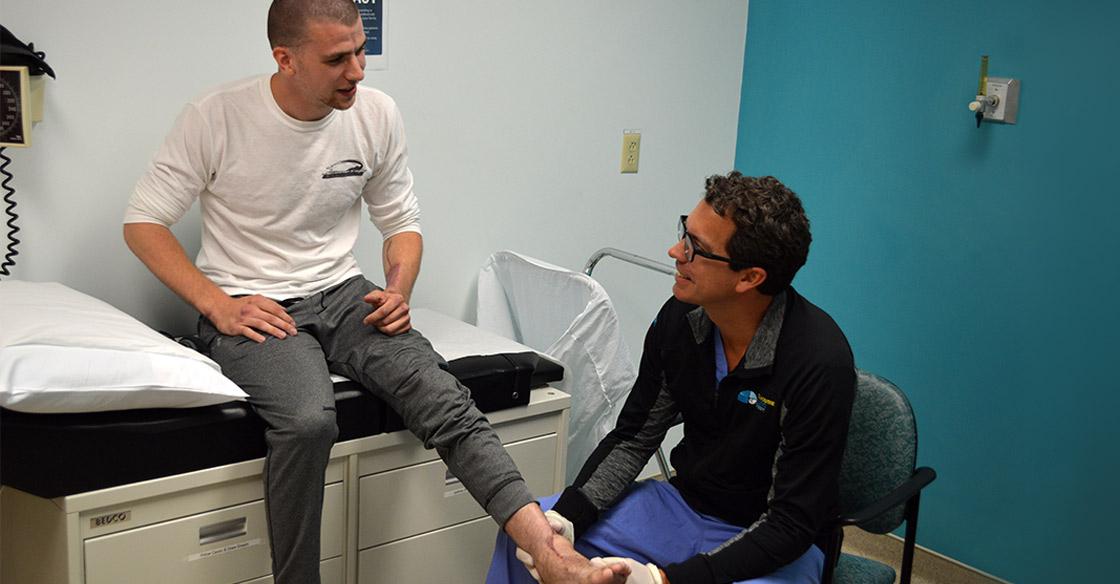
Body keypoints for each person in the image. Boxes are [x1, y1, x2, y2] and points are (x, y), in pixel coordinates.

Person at [122, 2, 627, 583]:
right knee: (311, 421)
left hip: (344, 293)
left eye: (361, 50)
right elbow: (143, 223)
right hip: (253, 302)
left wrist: (398, 287)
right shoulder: (216, 117)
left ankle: (551, 553)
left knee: (444, 397)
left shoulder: (376, 114)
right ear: (284, 59)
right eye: (337, 58)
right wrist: (217, 304)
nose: (358, 70)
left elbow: (402, 223)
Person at [489, 172, 856, 584]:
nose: (675, 251)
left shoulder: (817, 361)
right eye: (685, 233)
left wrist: (666, 580)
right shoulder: (681, 322)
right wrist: (567, 517)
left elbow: (791, 522)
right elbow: (634, 438)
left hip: (776, 540)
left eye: (696, 248)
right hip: (681, 507)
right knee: (529, 538)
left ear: (749, 277)